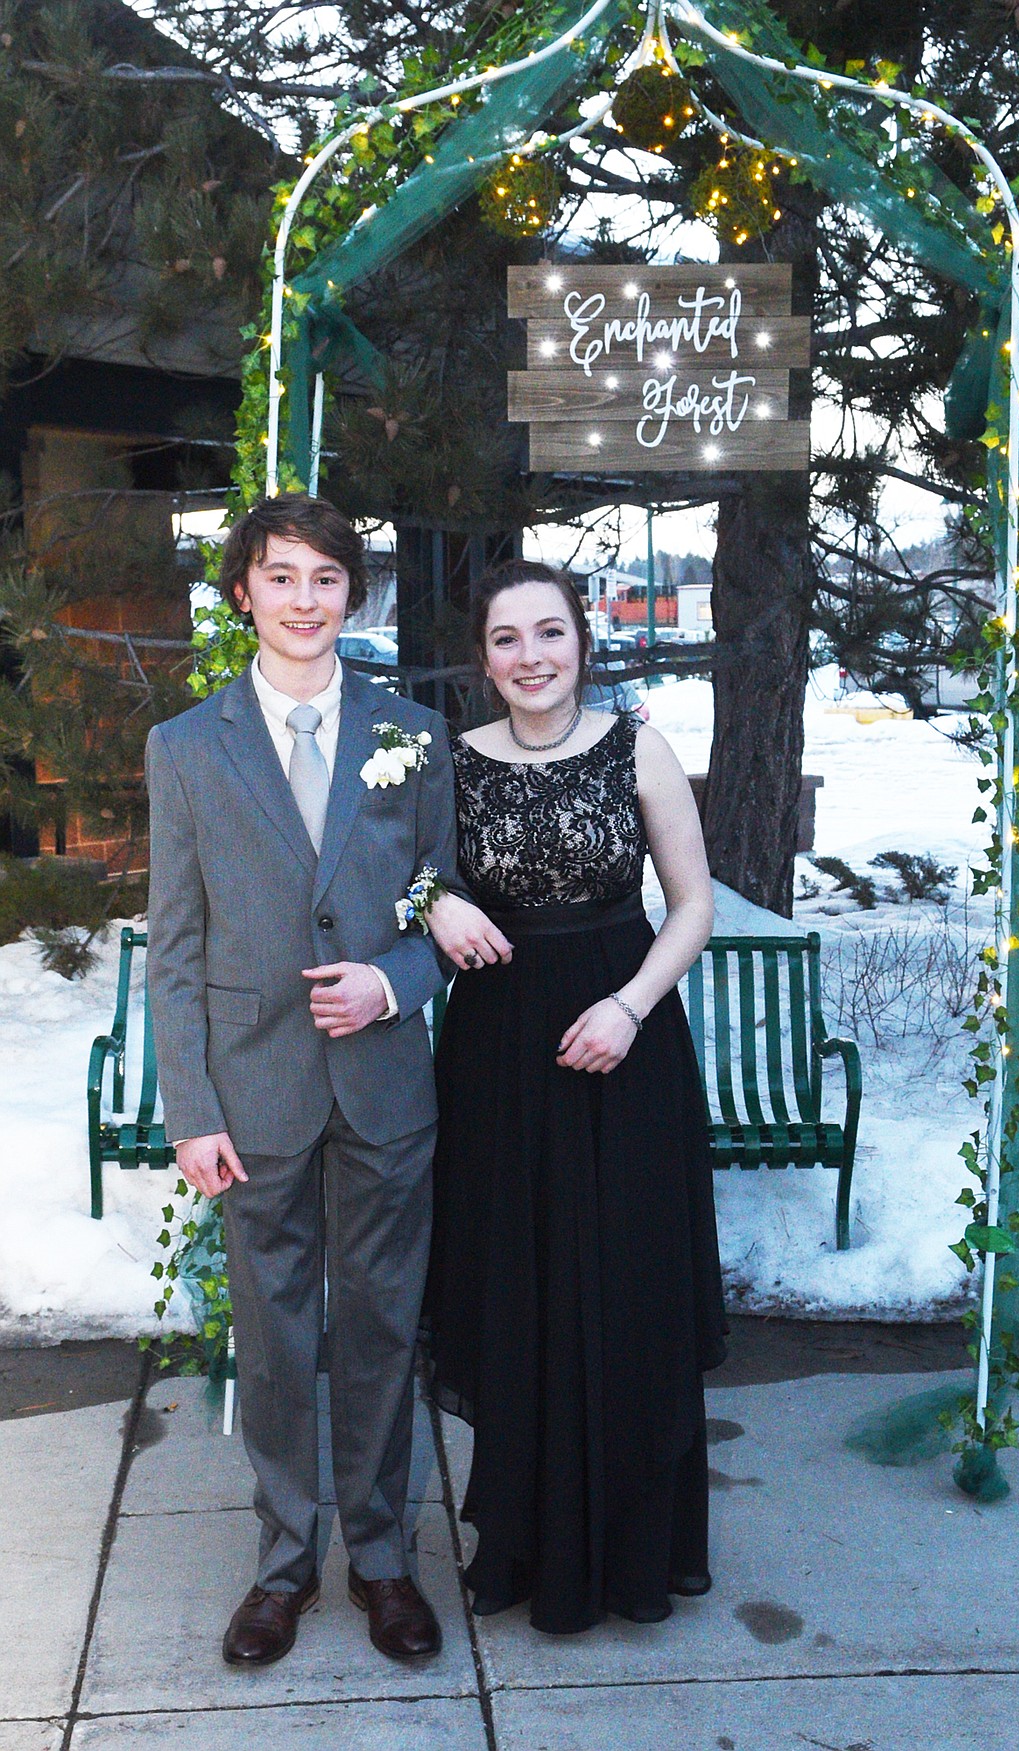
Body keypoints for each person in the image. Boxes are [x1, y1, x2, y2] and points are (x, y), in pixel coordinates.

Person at [146, 494, 457, 1668]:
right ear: (244, 592)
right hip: (254, 1089)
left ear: (353, 594)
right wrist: (192, 1111)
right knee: (276, 1339)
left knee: (380, 1328)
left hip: (383, 1085)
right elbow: (174, 946)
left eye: (328, 577)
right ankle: (283, 1562)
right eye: (282, 576)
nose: (306, 598)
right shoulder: (186, 747)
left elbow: (441, 906)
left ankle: (381, 1559)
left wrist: (395, 980)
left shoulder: (414, 737)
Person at [422, 559, 726, 1635]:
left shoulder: (638, 746)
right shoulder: (446, 762)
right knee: (519, 1284)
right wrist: (433, 907)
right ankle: (519, 1539)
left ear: (583, 641)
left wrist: (632, 1005)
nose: (532, 656)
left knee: (623, 1284)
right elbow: (398, 871)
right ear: (484, 655)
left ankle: (634, 1548)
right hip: (498, 1046)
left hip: (622, 1039)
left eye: (549, 632)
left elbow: (691, 905)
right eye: (507, 638)